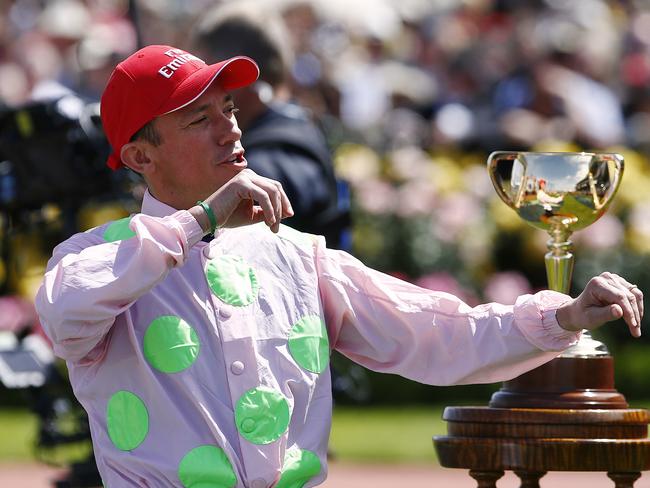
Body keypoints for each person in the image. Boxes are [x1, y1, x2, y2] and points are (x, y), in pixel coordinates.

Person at [35, 45, 643, 488]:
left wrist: (564, 316)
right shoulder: (95, 258)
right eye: (200, 119)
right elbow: (66, 315)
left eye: (229, 108)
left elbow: (439, 333)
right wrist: (201, 220)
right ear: (141, 155)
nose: (231, 129)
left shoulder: (299, 256)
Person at [192, 3, 348, 249]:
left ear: (237, 73)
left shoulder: (279, 152)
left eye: (209, 73)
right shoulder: (291, 126)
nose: (201, 88)